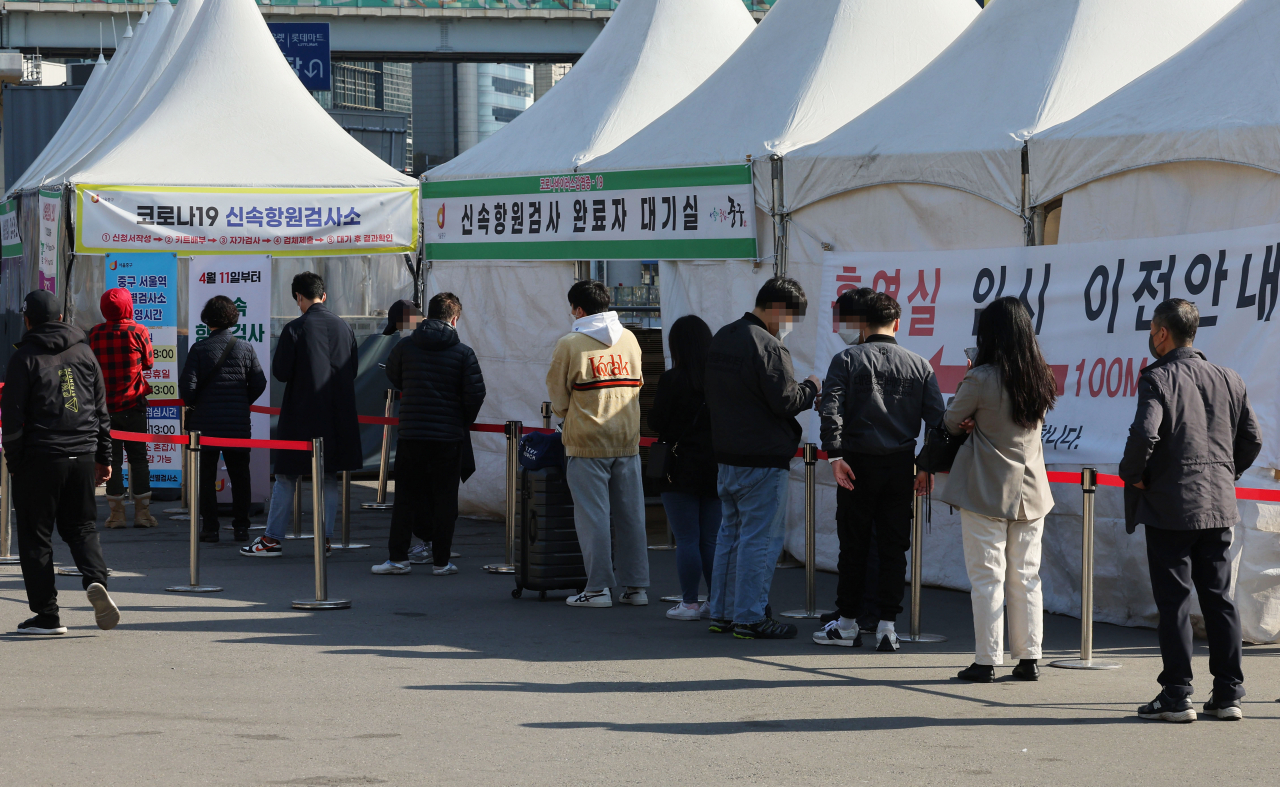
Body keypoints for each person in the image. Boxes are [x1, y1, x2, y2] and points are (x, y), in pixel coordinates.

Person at [1120, 298, 1260, 722]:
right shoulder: (1229, 377)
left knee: (1175, 601)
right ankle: (1228, 693)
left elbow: (1145, 433)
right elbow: (1251, 440)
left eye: (1151, 328)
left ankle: (1177, 694)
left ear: (1162, 333)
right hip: (1217, 504)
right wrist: (1223, 472)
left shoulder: (1157, 377)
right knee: (1220, 598)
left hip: (1171, 506)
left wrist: (1135, 473)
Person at [815, 289, 943, 652]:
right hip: (901, 465)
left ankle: (847, 623)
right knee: (893, 548)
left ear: (863, 325)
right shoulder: (920, 365)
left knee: (853, 546)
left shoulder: (847, 359)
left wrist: (835, 454)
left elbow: (831, 408)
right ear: (897, 323)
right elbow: (937, 422)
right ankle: (888, 626)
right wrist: (926, 466)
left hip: (855, 463)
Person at [939, 297, 1056, 683]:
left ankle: (987, 660)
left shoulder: (981, 377)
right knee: (1026, 575)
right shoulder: (1041, 376)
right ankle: (1029, 658)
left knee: (987, 577)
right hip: (1032, 490)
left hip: (987, 489)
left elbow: (952, 422)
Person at [703, 277, 819, 640]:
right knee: (760, 539)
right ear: (777, 309)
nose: (790, 326)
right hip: (763, 458)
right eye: (791, 317)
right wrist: (812, 387)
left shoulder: (722, 336)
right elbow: (786, 401)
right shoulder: (767, 345)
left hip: (727, 453)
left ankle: (722, 612)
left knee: (730, 535)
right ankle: (750, 617)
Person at [1, 290, 121, 634]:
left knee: (36, 537)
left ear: (27, 320)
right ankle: (96, 581)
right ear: (60, 318)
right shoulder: (85, 351)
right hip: (82, 454)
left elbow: (12, 417)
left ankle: (47, 614)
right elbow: (101, 409)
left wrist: (15, 462)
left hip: (41, 457)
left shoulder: (24, 357)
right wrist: (104, 456)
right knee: (82, 528)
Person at [241, 272, 362, 557]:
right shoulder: (345, 328)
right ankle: (325, 539)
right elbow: (353, 371)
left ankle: (271, 540)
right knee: (329, 476)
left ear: (298, 297)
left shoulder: (296, 328)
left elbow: (281, 372)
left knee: (286, 476)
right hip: (338, 414)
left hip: (302, 414)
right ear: (324, 295)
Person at [547, 280, 649, 608]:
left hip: (586, 441)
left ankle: (597, 589)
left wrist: (572, 416)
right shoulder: (630, 339)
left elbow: (558, 397)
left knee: (594, 517)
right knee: (631, 515)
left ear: (578, 309)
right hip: (627, 438)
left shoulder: (570, 343)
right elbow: (639, 384)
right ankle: (637, 588)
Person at [373, 292, 485, 576]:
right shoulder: (464, 353)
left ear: (428, 315)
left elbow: (395, 377)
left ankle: (398, 558)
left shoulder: (405, 348)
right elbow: (475, 394)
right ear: (455, 319)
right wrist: (460, 419)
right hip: (448, 436)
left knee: (405, 497)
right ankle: (441, 561)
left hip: (412, 431)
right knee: (445, 498)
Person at [179, 295, 268, 544]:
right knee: (240, 475)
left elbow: (187, 390)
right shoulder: (245, 348)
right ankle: (241, 527)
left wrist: (201, 402)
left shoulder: (199, 349)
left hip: (204, 425)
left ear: (207, 320)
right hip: (237, 423)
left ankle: (210, 528)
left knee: (205, 477)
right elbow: (259, 382)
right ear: (233, 319)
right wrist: (241, 402)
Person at [648, 315, 719, 621]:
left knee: (687, 538)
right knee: (712, 539)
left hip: (677, 467)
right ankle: (718, 601)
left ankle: (689, 602)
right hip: (716, 465)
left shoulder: (672, 379)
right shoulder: (720, 380)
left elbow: (656, 422)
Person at [87, 287, 159, 528]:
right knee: (139, 460)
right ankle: (143, 515)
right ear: (129, 306)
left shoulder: (95, 333)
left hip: (104, 410)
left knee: (111, 460)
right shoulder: (138, 330)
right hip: (134, 405)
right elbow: (148, 363)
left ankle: (116, 515)